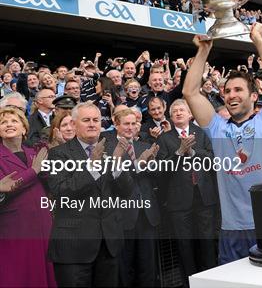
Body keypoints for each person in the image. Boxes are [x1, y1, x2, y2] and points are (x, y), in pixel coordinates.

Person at [182, 23, 262, 264]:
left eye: (238, 90)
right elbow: (190, 93)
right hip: (232, 229)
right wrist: (204, 51)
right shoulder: (218, 129)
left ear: (254, 96)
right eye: (227, 91)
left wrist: (257, 39)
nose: (231, 95)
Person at [47, 102, 134, 287]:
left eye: (96, 120)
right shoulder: (58, 154)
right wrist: (92, 168)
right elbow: (61, 192)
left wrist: (118, 167)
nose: (92, 124)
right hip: (73, 247)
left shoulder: (114, 149)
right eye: (86, 120)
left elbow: (127, 192)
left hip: (109, 244)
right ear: (74, 124)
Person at [156, 99, 217, 287]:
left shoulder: (201, 134)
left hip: (204, 199)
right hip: (179, 204)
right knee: (185, 249)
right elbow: (162, 171)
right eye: (175, 111)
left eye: (182, 110)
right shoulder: (164, 139)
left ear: (190, 114)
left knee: (207, 245)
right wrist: (179, 152)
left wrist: (193, 152)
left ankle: (211, 283)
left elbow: (213, 159)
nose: (178, 113)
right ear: (171, 116)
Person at [0, 107, 56, 288]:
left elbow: (50, 183)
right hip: (15, 226)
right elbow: (6, 188)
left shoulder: (35, 152)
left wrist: (49, 169)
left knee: (44, 273)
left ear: (24, 129)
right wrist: (34, 171)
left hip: (43, 223)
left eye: (14, 121)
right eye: (3, 122)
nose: (9, 124)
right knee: (17, 274)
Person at [107, 109, 160, 288]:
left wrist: (153, 165)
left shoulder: (144, 146)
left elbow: (156, 176)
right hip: (122, 217)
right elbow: (112, 178)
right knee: (125, 270)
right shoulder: (107, 147)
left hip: (147, 215)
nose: (130, 128)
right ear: (116, 124)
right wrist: (139, 164)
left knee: (148, 269)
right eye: (126, 124)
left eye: (133, 124)